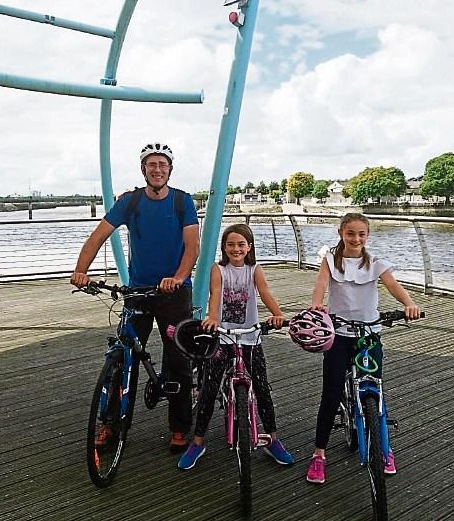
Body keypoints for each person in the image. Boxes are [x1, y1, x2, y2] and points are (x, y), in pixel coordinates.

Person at [71, 142, 199, 453]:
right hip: (138, 291)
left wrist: (179, 277)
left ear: (170, 169)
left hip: (173, 292)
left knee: (179, 357)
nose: (157, 169)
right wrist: (80, 270)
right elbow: (98, 236)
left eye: (162, 165)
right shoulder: (131, 202)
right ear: (143, 170)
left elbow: (192, 246)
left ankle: (180, 427)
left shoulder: (183, 202)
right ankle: (110, 423)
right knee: (123, 354)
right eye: (151, 165)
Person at [305, 212, 420, 484]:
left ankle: (385, 449)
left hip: (368, 335)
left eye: (361, 234)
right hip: (339, 334)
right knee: (331, 394)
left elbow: (393, 285)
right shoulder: (331, 261)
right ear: (341, 233)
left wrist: (409, 304)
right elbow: (321, 285)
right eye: (350, 233)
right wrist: (317, 304)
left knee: (375, 390)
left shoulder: (376, 263)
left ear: (367, 236)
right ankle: (319, 454)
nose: (355, 239)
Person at [177, 223, 294, 469]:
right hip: (224, 336)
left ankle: (272, 438)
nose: (236, 249)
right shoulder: (219, 269)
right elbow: (216, 293)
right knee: (209, 388)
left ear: (249, 247)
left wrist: (277, 314)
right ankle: (198, 442)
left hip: (250, 337)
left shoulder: (254, 270)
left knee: (262, 389)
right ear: (224, 248)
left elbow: (264, 292)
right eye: (230, 244)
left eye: (241, 244)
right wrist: (213, 318)